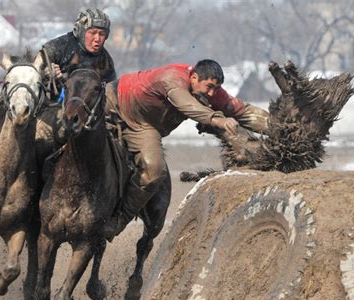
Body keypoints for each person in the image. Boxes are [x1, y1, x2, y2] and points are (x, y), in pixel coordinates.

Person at [0, 8, 116, 176]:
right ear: (80, 31)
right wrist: (47, 73)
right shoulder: (58, 47)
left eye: (102, 34)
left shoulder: (105, 61)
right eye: (93, 33)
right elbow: (33, 69)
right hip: (42, 105)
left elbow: (110, 92)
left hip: (77, 115)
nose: (98, 39)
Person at [103, 59, 269, 240]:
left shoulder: (212, 92)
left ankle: (119, 220)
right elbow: (186, 104)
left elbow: (242, 111)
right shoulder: (172, 78)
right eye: (208, 87)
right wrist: (217, 120)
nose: (211, 93)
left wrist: (279, 128)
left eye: (215, 88)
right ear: (194, 77)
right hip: (113, 101)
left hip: (144, 126)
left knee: (154, 170)